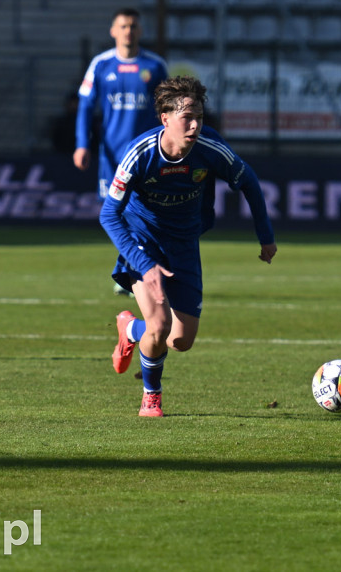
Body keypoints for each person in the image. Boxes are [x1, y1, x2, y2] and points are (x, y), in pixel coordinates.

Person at [99, 76, 277, 417]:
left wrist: (265, 236)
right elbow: (109, 214)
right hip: (142, 242)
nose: (195, 124)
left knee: (181, 340)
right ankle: (152, 396)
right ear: (165, 118)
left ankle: (129, 328)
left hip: (183, 243)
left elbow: (249, 182)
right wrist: (143, 264)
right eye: (186, 117)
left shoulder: (210, 148)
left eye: (199, 116)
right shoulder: (140, 154)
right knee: (159, 324)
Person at [73, 7, 169, 200]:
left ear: (140, 30)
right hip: (112, 153)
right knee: (112, 212)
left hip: (147, 152)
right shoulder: (101, 64)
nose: (128, 31)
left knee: (145, 211)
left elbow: (168, 109)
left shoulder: (156, 66)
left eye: (133, 26)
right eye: (123, 26)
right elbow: (85, 106)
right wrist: (82, 144)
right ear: (113, 30)